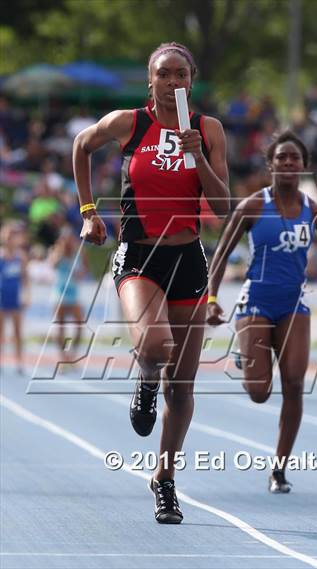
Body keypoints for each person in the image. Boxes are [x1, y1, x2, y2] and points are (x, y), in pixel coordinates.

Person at [72, 42, 229, 523]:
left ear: (191, 79)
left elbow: (222, 210)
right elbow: (82, 145)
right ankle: (144, 382)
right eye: (164, 73)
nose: (173, 81)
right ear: (151, 81)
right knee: (156, 347)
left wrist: (197, 156)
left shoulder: (208, 129)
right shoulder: (130, 123)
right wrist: (87, 213)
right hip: (139, 256)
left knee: (182, 389)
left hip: (188, 257)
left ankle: (164, 481)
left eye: (181, 73)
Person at [207, 130, 317, 493]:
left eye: (294, 158)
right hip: (256, 300)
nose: (287, 162)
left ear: (303, 165)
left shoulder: (315, 212)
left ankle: (279, 469)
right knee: (259, 392)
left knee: (296, 384)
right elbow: (220, 255)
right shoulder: (252, 206)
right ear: (270, 164)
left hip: (293, 302)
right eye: (281, 157)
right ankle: (248, 350)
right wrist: (211, 298)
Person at [48, 226, 88, 364]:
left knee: (80, 325)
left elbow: (85, 269)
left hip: (74, 293)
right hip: (60, 293)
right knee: (60, 325)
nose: (69, 241)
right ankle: (62, 355)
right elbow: (52, 264)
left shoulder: (79, 252)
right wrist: (60, 249)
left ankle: (73, 354)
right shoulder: (56, 251)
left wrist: (81, 274)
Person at [0, 221, 29, 374]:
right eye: (9, 235)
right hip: (2, 296)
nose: (11, 238)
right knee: (1, 331)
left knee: (17, 331)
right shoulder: (1, 256)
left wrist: (26, 295)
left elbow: (25, 278)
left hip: (15, 296)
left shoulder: (21, 257)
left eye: (14, 235)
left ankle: (19, 361)